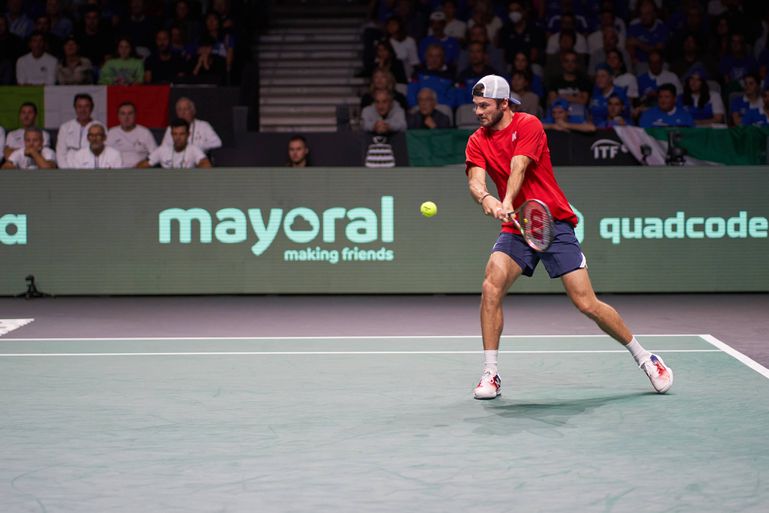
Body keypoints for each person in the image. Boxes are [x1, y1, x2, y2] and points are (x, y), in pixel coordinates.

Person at [463, 74, 673, 400]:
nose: (478, 112)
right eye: (476, 106)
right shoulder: (477, 140)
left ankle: (646, 358)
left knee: (586, 303)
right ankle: (490, 373)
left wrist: (506, 200)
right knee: (491, 285)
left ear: (504, 103)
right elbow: (476, 181)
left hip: (552, 221)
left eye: (484, 106)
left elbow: (519, 167)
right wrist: (486, 198)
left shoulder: (528, 124)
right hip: (516, 226)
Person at [138, 118, 212, 168]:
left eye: (182, 134)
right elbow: (141, 166)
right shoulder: (162, 150)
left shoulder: (193, 149)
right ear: (171, 135)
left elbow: (206, 165)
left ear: (188, 135)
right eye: (175, 134)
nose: (178, 138)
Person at [56, 93, 101, 168]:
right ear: (75, 108)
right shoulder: (65, 128)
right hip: (68, 169)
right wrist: (66, 172)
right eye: (79, 106)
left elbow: (102, 154)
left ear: (92, 108)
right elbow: (60, 154)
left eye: (86, 106)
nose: (83, 110)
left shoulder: (100, 127)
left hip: (91, 169)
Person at [106, 101, 158, 167]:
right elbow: (103, 154)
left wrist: (145, 164)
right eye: (123, 114)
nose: (126, 117)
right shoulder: (111, 132)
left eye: (130, 113)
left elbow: (156, 155)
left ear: (135, 115)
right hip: (115, 170)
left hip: (139, 170)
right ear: (118, 116)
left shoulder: (145, 132)